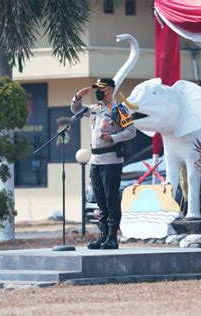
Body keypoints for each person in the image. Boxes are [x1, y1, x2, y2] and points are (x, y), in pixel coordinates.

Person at [71, 78, 136, 249]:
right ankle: (103, 234)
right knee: (100, 199)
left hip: (111, 160)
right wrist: (78, 96)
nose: (97, 91)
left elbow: (131, 131)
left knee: (111, 199)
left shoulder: (119, 109)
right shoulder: (94, 109)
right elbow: (76, 109)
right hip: (95, 160)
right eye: (96, 88)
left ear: (109, 90)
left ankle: (112, 237)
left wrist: (113, 138)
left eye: (101, 88)